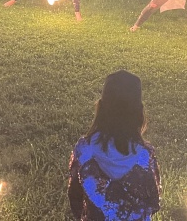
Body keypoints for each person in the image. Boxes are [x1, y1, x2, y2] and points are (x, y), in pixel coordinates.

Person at [68, 70, 161, 221]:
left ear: (101, 108)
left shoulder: (84, 150)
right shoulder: (145, 156)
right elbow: (154, 202)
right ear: (139, 113)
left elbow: (75, 197)